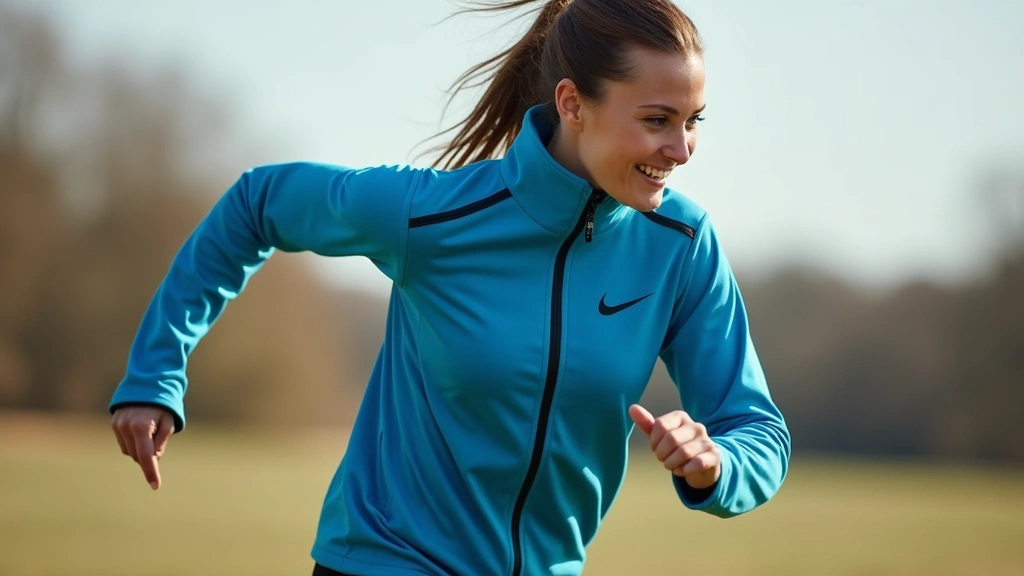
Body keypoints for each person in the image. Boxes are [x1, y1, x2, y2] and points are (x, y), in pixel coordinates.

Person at [109, 0, 791, 574]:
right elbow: (259, 202)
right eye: (657, 120)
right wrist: (156, 372)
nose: (682, 149)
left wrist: (716, 465)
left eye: (693, 120)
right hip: (383, 559)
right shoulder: (431, 215)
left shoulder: (681, 245)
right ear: (572, 104)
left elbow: (757, 430)